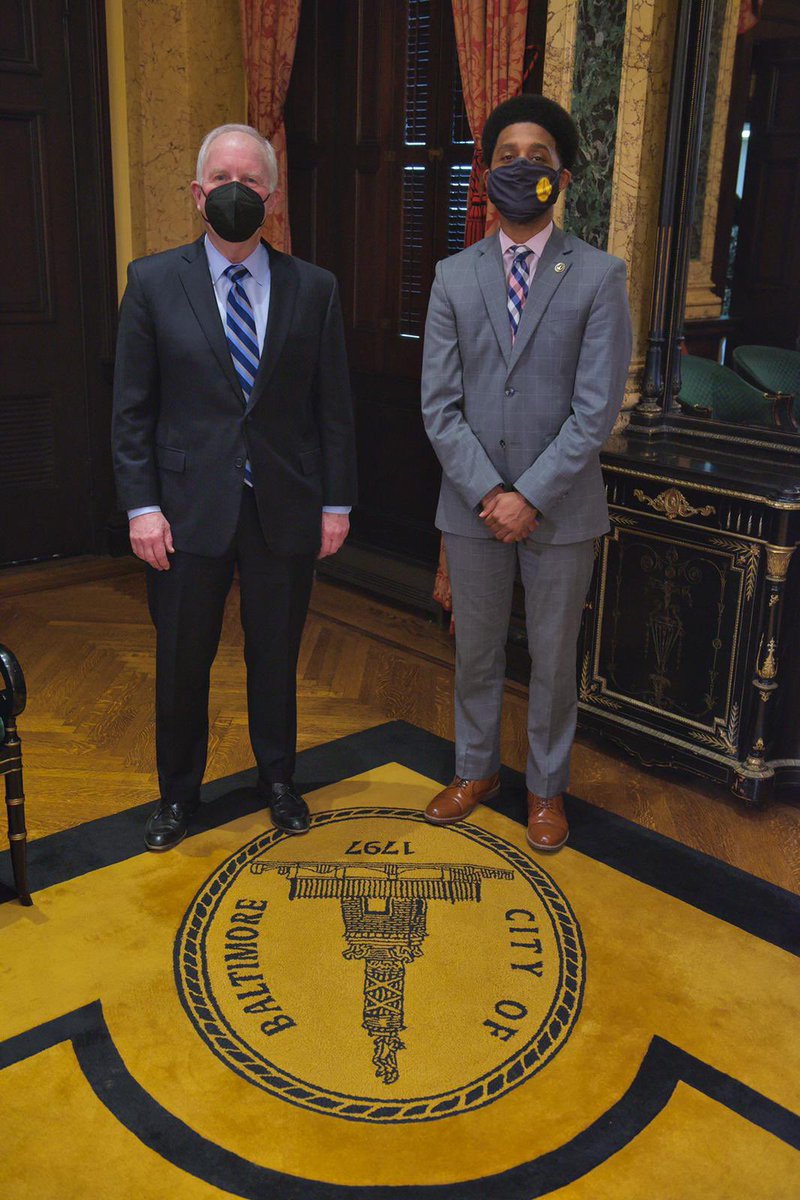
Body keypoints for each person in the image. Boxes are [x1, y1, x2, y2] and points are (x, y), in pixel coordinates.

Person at [112, 124, 357, 852]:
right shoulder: (153, 282)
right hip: (184, 514)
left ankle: (278, 782)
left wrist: (336, 503)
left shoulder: (315, 289)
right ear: (196, 193)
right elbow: (132, 408)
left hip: (284, 505)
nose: (235, 191)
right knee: (183, 660)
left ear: (271, 198)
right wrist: (142, 506)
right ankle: (177, 798)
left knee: (276, 654)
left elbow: (333, 407)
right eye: (221, 178)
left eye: (250, 181)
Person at [421, 95, 632, 850]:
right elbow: (439, 405)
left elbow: (595, 410)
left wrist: (529, 496)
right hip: (471, 507)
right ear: (485, 174)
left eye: (537, 157)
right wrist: (490, 493)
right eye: (506, 155)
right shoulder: (452, 276)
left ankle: (546, 790)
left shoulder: (601, 277)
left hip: (562, 509)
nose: (521, 168)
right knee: (474, 651)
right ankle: (475, 769)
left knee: (552, 661)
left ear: (562, 176)